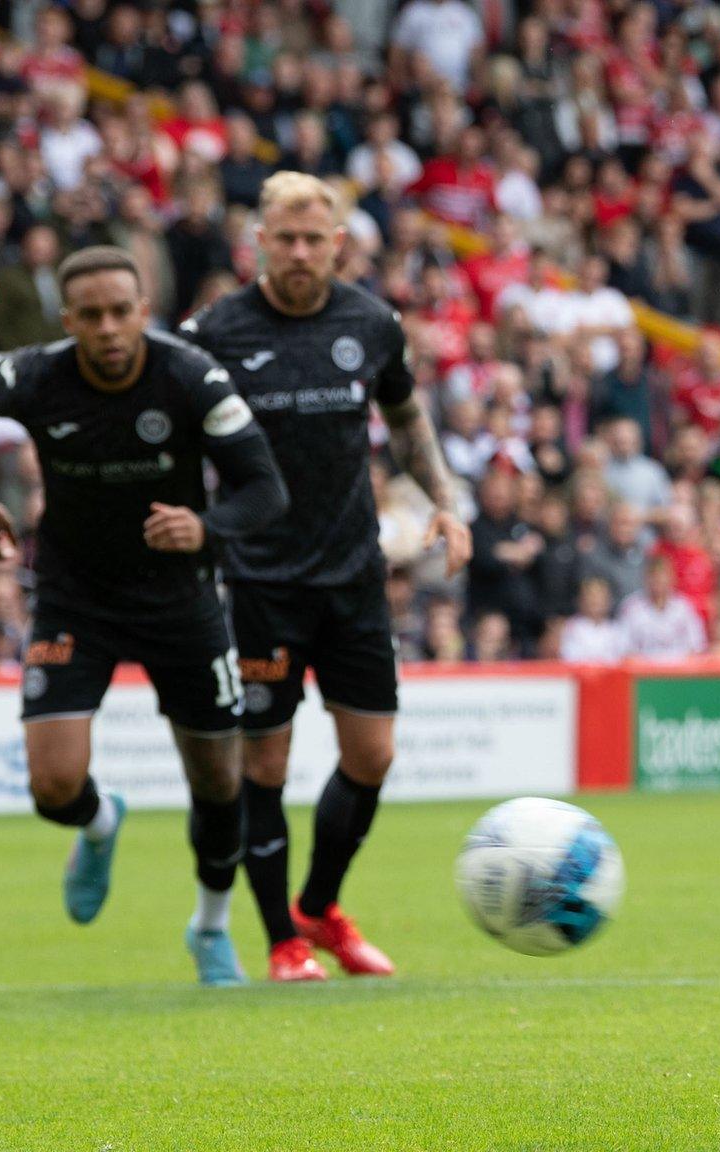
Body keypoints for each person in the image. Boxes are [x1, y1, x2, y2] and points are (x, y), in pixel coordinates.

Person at [0, 246, 289, 986]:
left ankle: (210, 928)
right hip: (76, 597)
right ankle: (100, 826)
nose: (106, 329)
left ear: (143, 313)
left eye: (120, 312)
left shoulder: (191, 377)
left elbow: (265, 489)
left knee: (220, 783)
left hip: (182, 602)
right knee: (54, 787)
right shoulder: (36, 375)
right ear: (68, 321)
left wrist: (208, 525)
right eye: (90, 316)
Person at [181, 172, 471, 982]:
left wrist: (445, 503)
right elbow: (176, 438)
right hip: (261, 579)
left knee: (372, 755)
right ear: (260, 242)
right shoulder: (214, 332)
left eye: (315, 239)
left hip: (352, 575)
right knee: (262, 767)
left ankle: (319, 907)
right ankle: (281, 940)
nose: (301, 252)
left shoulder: (372, 323)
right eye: (286, 238)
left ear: (338, 242)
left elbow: (408, 420)